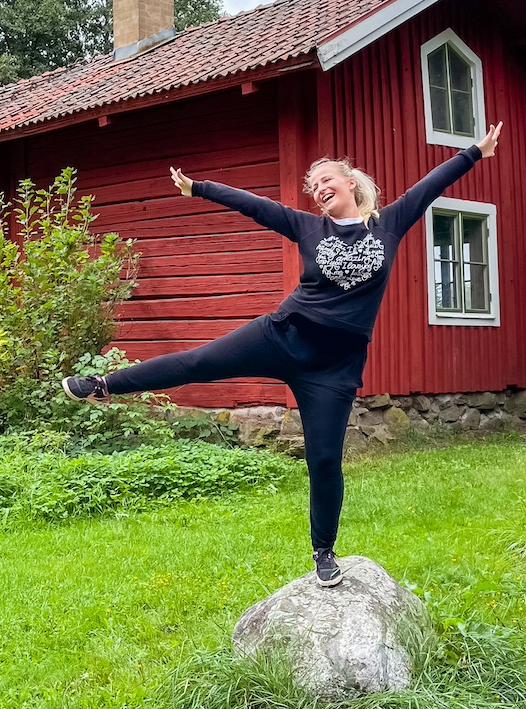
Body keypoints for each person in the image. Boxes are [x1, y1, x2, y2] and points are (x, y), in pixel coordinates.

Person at [63, 122, 503, 587]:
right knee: (198, 362)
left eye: (326, 181)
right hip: (281, 335)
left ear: (350, 182)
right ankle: (104, 385)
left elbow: (431, 184)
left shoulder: (389, 223)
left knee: (326, 460)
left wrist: (476, 150)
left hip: (332, 370)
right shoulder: (308, 227)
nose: (318, 191)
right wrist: (199, 189)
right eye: (312, 187)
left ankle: (324, 551)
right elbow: (257, 206)